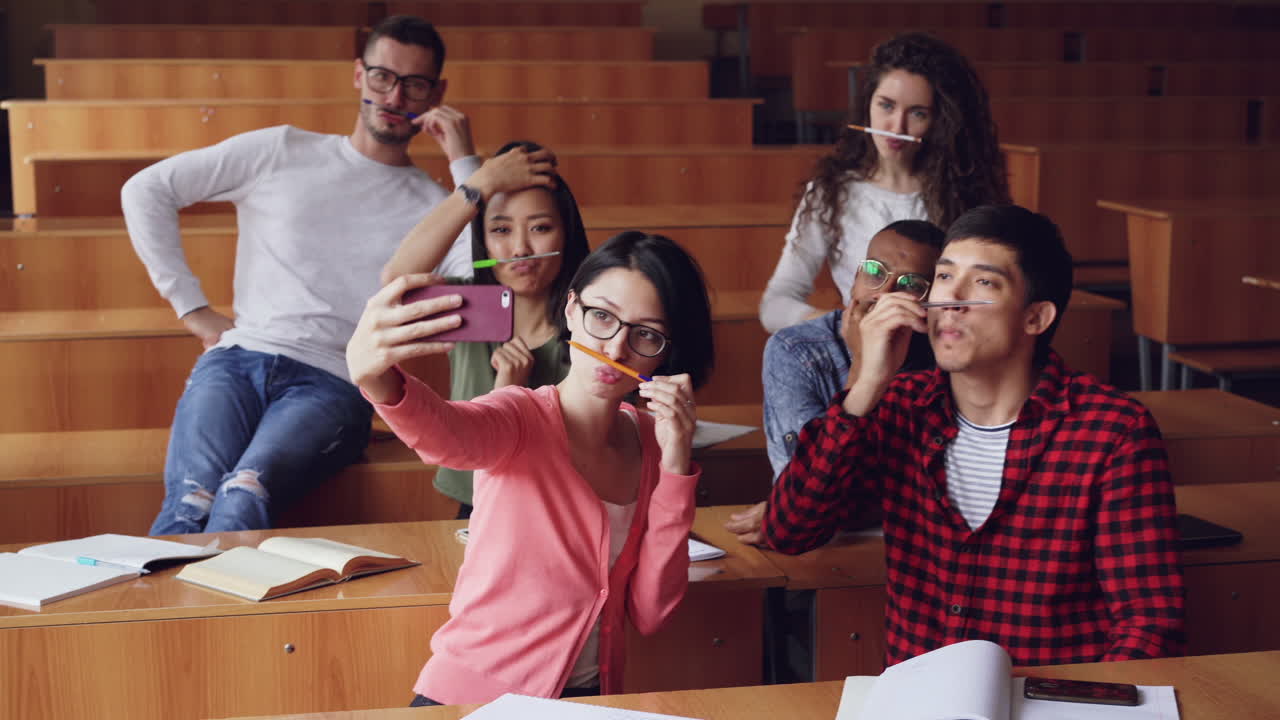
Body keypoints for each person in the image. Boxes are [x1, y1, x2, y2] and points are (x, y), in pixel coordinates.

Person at [748, 205, 1186, 667]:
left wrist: (1081, 700)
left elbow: (1150, 625)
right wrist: (866, 385)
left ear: (1036, 318)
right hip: (920, 696)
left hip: (1052, 697)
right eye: (943, 277)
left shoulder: (1112, 432)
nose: (950, 300)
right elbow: (790, 530)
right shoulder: (901, 408)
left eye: (983, 283)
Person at [125, 15, 500, 534]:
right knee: (191, 502)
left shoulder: (436, 210)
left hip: (335, 382)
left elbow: (488, 287)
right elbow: (145, 190)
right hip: (236, 359)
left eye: (414, 85)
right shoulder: (281, 150)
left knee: (244, 493)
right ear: (359, 75)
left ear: (436, 94)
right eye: (382, 77)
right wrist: (191, 307)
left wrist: (466, 166)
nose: (394, 97)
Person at [346, 232, 715, 705]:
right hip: (473, 699)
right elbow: (445, 434)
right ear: (571, 310)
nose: (616, 348)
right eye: (602, 316)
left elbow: (650, 612)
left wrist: (677, 465)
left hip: (589, 701)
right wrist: (377, 378)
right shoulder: (518, 415)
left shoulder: (653, 442)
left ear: (666, 350)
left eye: (645, 333)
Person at [380, 140, 591, 518]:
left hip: (563, 505)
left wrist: (509, 395)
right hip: (477, 504)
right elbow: (397, 280)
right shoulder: (468, 305)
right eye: (501, 230)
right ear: (483, 241)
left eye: (540, 227)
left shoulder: (594, 323)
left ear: (566, 235)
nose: (520, 248)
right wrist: (479, 185)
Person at [758, 32, 1009, 335]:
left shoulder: (966, 191)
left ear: (940, 122)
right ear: (868, 105)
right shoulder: (832, 192)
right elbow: (775, 305)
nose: (897, 127)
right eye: (886, 106)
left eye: (917, 113)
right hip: (858, 351)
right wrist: (849, 327)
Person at [726, 220, 943, 541]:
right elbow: (803, 500)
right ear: (855, 279)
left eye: (910, 285)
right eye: (874, 272)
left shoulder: (944, 355)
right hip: (821, 547)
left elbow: (933, 496)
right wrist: (862, 369)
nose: (884, 294)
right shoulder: (796, 350)